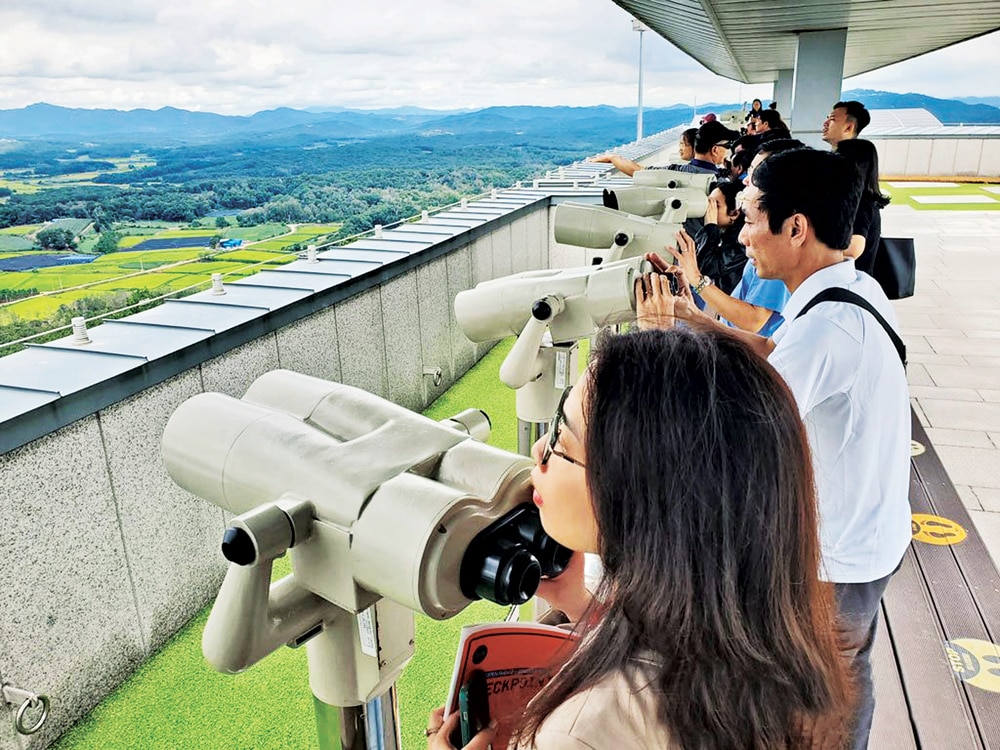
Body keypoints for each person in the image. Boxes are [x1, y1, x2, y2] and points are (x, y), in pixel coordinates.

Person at [427, 326, 853, 750]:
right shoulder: (779, 644)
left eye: (562, 437)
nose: (540, 450)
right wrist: (581, 605)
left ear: (640, 496)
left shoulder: (582, 730)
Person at [645, 147, 911, 750]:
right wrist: (697, 319)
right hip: (872, 535)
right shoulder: (847, 289)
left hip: (838, 562)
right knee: (842, 676)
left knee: (823, 701)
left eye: (750, 217)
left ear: (795, 227)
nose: (742, 234)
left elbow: (740, 428)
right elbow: (775, 356)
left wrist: (662, 346)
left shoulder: (826, 327)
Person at [836, 138, 891, 276]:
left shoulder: (861, 203)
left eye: (838, 158)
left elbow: (854, 249)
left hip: (851, 282)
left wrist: (814, 252)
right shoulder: (858, 199)